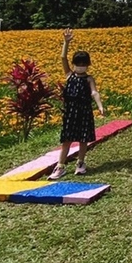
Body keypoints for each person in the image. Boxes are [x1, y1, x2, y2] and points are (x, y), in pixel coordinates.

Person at [48, 29, 104, 180]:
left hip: (84, 111)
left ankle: (80, 163)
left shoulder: (89, 78)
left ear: (88, 65)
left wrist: (100, 106)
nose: (80, 66)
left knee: (83, 138)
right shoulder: (69, 75)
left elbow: (94, 92)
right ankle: (60, 166)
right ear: (74, 64)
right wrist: (66, 42)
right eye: (78, 64)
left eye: (83, 64)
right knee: (67, 139)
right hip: (70, 111)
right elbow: (62, 58)